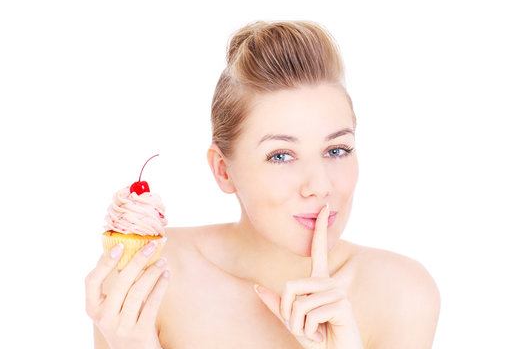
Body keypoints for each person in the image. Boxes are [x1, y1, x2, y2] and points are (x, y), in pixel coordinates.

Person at [85, 20, 440, 348]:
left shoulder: (402, 293)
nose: (319, 185)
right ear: (223, 170)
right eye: (281, 156)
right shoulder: (152, 276)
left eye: (336, 149)